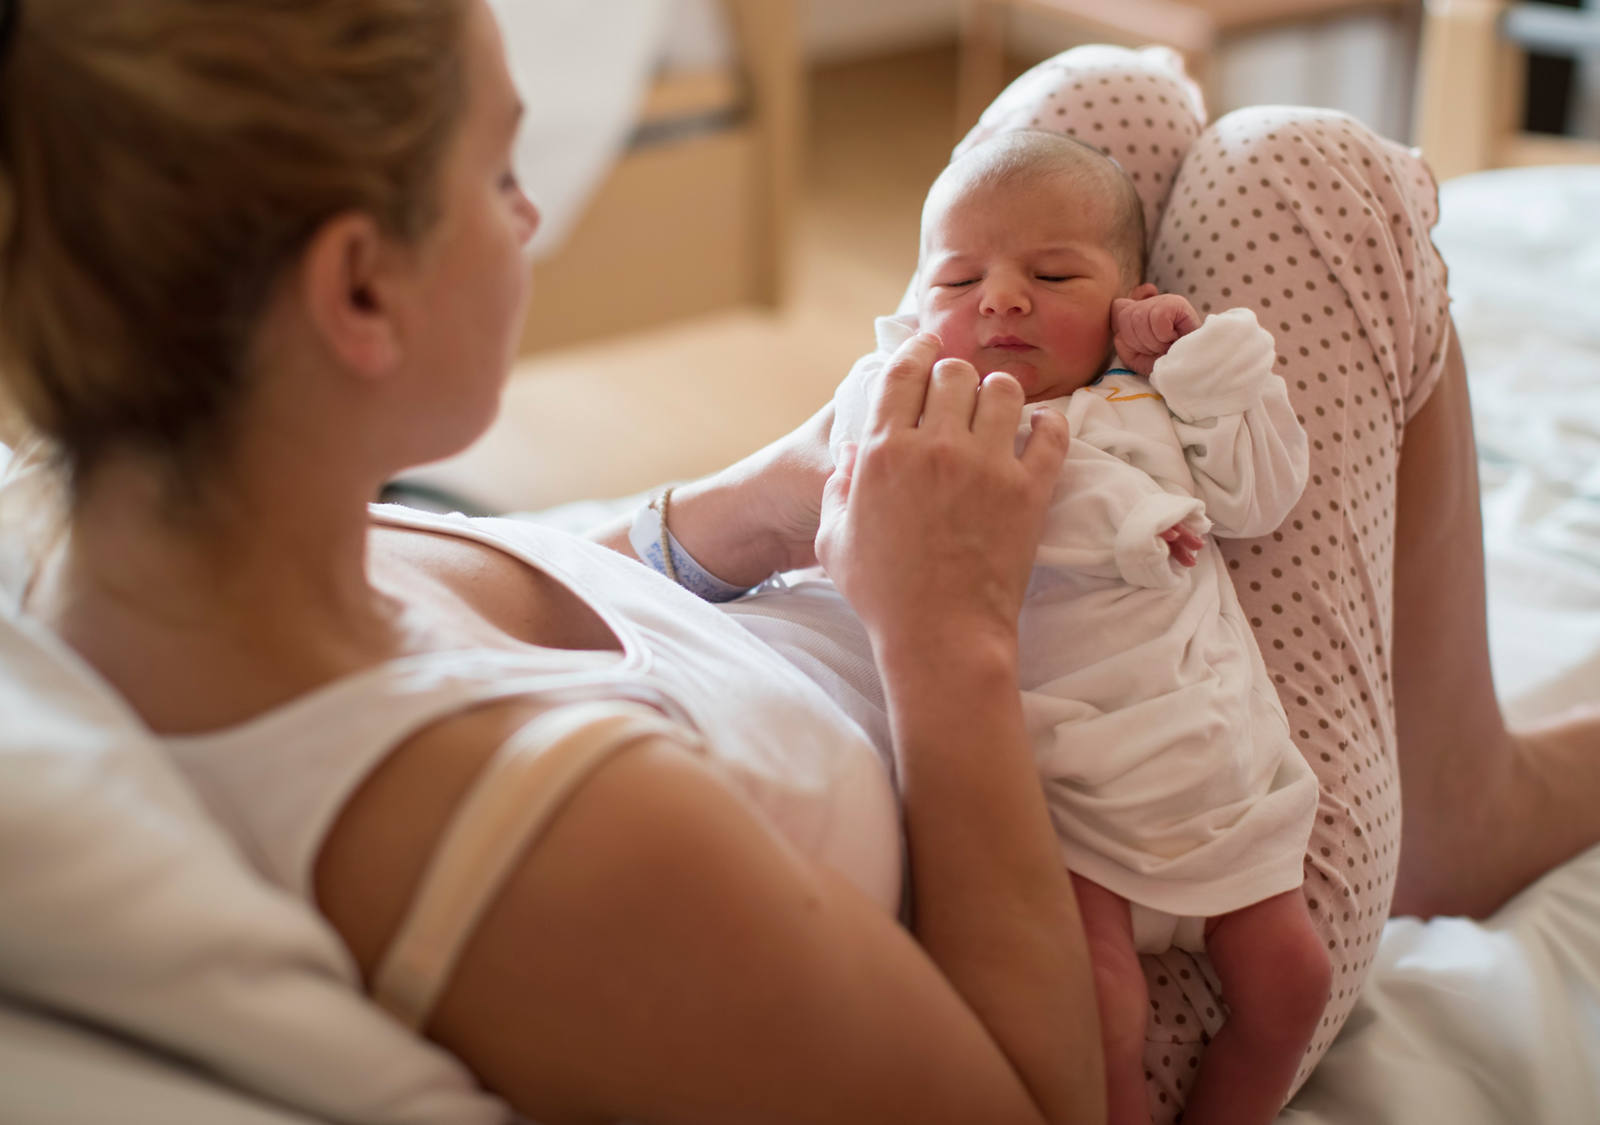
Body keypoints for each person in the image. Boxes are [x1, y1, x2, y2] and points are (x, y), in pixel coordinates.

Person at [1, 2, 1596, 1122]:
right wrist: (947, 633)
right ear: (360, 294)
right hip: (1119, 856)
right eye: (498, 177)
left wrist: (753, 502)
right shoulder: (550, 847)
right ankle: (1454, 810)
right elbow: (1030, 1100)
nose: (532, 205)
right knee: (1302, 180)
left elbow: (572, 600)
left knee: (1101, 112)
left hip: (947, 597)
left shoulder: (119, 528)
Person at [821, 128, 1330, 1125]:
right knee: (1100, 1006)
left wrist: (1196, 361)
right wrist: (899, 374)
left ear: (1125, 299)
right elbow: (878, 511)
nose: (1002, 297)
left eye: (1052, 274)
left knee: (1293, 985)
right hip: (1062, 794)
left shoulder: (1145, 403)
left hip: (1212, 776)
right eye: (958, 278)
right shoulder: (939, 422)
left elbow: (1265, 498)